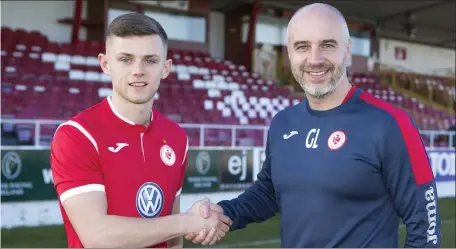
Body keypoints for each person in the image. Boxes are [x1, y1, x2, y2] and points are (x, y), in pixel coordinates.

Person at [185, 3, 441, 247]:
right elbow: (269, 192)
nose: (314, 59)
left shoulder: (390, 124)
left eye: (327, 45)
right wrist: (225, 212)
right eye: (302, 46)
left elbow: (425, 225)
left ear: (348, 49)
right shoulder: (282, 124)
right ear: (289, 53)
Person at [49, 13, 231, 248]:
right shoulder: (77, 135)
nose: (138, 70)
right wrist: (187, 222)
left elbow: (172, 236)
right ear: (105, 64)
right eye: (125, 59)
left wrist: (187, 222)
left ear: (165, 68)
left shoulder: (176, 137)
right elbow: (97, 236)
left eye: (150, 60)